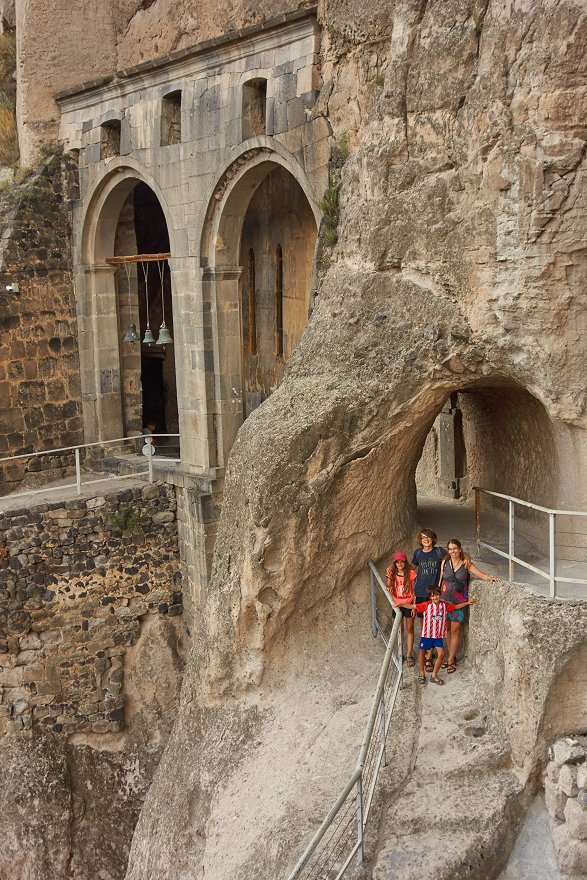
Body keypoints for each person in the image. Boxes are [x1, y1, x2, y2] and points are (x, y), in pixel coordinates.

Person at [440, 537, 501, 674]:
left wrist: (490, 578)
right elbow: (440, 580)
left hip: (460, 602)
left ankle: (450, 660)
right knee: (447, 630)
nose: (452, 551)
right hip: (444, 600)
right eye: (450, 549)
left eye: (455, 548)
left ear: (460, 549)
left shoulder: (466, 563)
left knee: (455, 630)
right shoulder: (444, 562)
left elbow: (480, 574)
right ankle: (451, 656)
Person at [400, 586, 477, 685]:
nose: (435, 597)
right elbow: (412, 607)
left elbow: (455, 607)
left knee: (441, 654)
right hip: (427, 635)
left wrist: (467, 603)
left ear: (440, 595)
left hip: (437, 636)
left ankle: (434, 675)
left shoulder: (444, 605)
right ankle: (421, 673)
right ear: (430, 597)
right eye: (432, 596)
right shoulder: (426, 605)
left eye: (436, 595)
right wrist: (400, 604)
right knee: (422, 653)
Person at [411, 529, 447, 672]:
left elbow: (453, 557)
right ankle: (427, 654)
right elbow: (411, 569)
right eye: (423, 538)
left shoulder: (439, 552)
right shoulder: (418, 553)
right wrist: (393, 569)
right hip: (420, 591)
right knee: (424, 625)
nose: (426, 540)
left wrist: (466, 559)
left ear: (433, 538)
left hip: (434, 594)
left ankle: (429, 656)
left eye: (428, 537)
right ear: (420, 540)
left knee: (434, 623)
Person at [386, 552, 417, 666]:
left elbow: (414, 591)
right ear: (395, 563)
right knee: (400, 630)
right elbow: (388, 586)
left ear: (405, 562)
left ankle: (409, 655)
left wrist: (414, 607)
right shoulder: (392, 573)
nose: (400, 564)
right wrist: (389, 578)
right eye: (397, 562)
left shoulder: (411, 573)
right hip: (397, 604)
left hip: (408, 603)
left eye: (402, 562)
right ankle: (400, 653)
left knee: (410, 629)